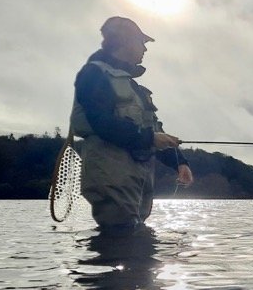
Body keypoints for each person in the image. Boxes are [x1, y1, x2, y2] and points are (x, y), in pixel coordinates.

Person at [69, 16, 193, 232]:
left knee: (136, 243)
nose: (145, 49)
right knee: (120, 238)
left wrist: (180, 163)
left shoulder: (134, 88)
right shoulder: (94, 75)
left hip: (137, 179)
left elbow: (152, 130)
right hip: (110, 176)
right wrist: (150, 138)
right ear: (125, 41)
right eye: (141, 42)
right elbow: (101, 122)